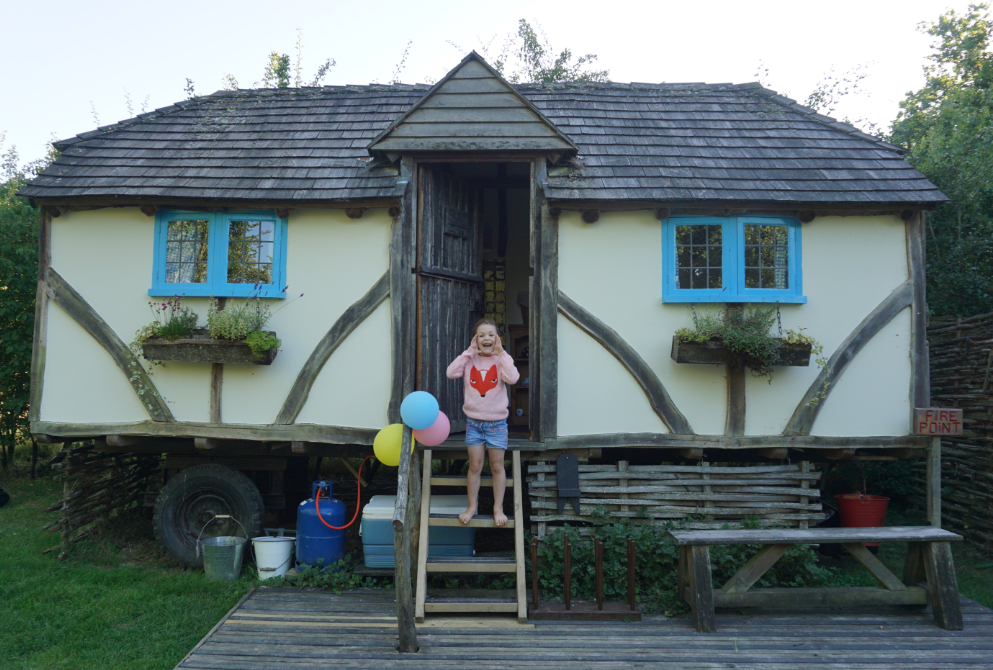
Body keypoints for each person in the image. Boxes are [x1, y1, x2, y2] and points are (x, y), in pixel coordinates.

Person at [446, 319, 520, 526]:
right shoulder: (469, 360)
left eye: (491, 334)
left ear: (497, 338)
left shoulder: (501, 359)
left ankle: (498, 508)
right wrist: (468, 352)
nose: (486, 338)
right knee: (475, 465)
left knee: (497, 466)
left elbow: (513, 378)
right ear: (475, 339)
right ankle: (472, 507)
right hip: (474, 424)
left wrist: (502, 353)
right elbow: (451, 373)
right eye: (481, 335)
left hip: (496, 424)